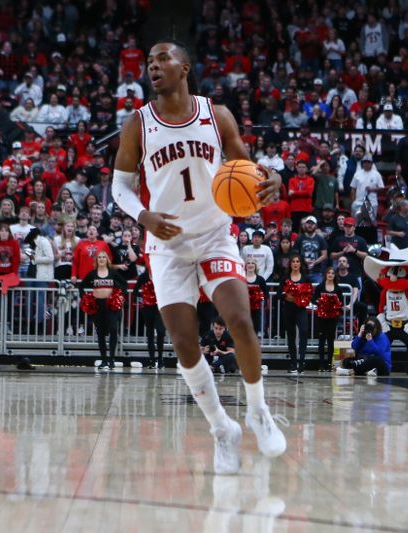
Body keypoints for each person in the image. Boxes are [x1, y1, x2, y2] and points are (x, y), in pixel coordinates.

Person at [112, 41, 285, 475]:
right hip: (167, 245)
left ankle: (258, 411)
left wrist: (274, 177)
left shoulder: (216, 114)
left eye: (163, 60)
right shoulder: (138, 124)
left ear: (184, 66)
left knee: (240, 320)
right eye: (150, 63)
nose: (154, 67)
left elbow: (249, 171)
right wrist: (144, 215)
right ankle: (221, 429)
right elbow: (119, 188)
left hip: (214, 234)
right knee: (185, 344)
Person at [80, 250, 127, 370]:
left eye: (103, 257)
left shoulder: (112, 272)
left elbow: (124, 284)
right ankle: (104, 360)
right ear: (96, 260)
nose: (101, 259)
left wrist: (119, 295)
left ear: (107, 260)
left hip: (111, 305)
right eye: (99, 257)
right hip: (98, 306)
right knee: (100, 333)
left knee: (113, 329)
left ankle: (111, 359)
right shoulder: (92, 273)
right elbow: (81, 285)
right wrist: (85, 298)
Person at [278, 254, 311, 374]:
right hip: (288, 309)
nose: (295, 264)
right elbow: (278, 294)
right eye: (293, 262)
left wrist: (299, 298)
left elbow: (309, 294)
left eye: (297, 261)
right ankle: (293, 363)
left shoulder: (306, 278)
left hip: (300, 309)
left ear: (300, 264)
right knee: (291, 336)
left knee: (303, 331)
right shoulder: (285, 278)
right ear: (290, 264)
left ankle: (301, 361)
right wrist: (286, 296)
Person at [313, 267, 345, 372]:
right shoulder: (320, 287)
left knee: (331, 341)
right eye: (329, 273)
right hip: (321, 317)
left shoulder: (338, 288)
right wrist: (321, 303)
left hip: (332, 317)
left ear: (335, 275)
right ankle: (321, 364)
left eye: (332, 273)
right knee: (321, 340)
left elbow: (341, 303)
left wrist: (335, 307)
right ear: (325, 274)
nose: (330, 275)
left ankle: (329, 364)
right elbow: (313, 299)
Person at [134, 267, 166, 369]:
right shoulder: (144, 275)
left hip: (160, 307)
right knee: (150, 333)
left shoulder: (162, 273)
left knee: (161, 331)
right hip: (148, 308)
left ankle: (160, 359)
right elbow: (135, 290)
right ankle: (152, 360)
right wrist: (143, 298)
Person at [244, 257, 268, 336]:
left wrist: (261, 300)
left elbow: (266, 293)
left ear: (255, 266)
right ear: (245, 265)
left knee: (254, 329)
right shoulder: (241, 278)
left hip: (256, 309)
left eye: (252, 263)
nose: (250, 265)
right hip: (244, 309)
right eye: (248, 263)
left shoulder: (260, 279)